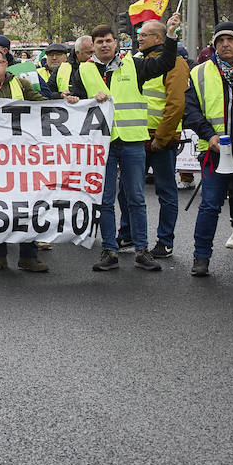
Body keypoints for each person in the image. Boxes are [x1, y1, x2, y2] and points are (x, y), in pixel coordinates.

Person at [72, 17, 179, 273]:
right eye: (100, 42)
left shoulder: (134, 65)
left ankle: (141, 250)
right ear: (93, 46)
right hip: (103, 145)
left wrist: (172, 36)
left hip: (132, 142)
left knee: (136, 198)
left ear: (116, 43)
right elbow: (71, 100)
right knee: (105, 200)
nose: (105, 45)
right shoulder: (84, 70)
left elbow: (166, 62)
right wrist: (78, 98)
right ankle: (110, 250)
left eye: (109, 41)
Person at [184, 22, 233, 279]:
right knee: (209, 205)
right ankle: (201, 257)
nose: (224, 44)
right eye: (219, 40)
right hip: (214, 152)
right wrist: (209, 135)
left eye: (230, 39)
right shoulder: (200, 71)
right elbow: (190, 109)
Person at [0, 48, 58, 272]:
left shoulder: (21, 84)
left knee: (26, 206)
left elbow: (43, 105)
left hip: (22, 158)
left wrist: (67, 102)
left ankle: (28, 255)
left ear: (5, 65)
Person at [115, 19, 189, 261]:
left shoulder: (175, 63)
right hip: (136, 136)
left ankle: (165, 241)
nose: (139, 38)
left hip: (160, 139)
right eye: (139, 34)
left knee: (166, 191)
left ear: (159, 38)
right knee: (127, 191)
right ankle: (127, 233)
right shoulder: (136, 63)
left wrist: (162, 136)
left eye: (144, 34)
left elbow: (176, 103)